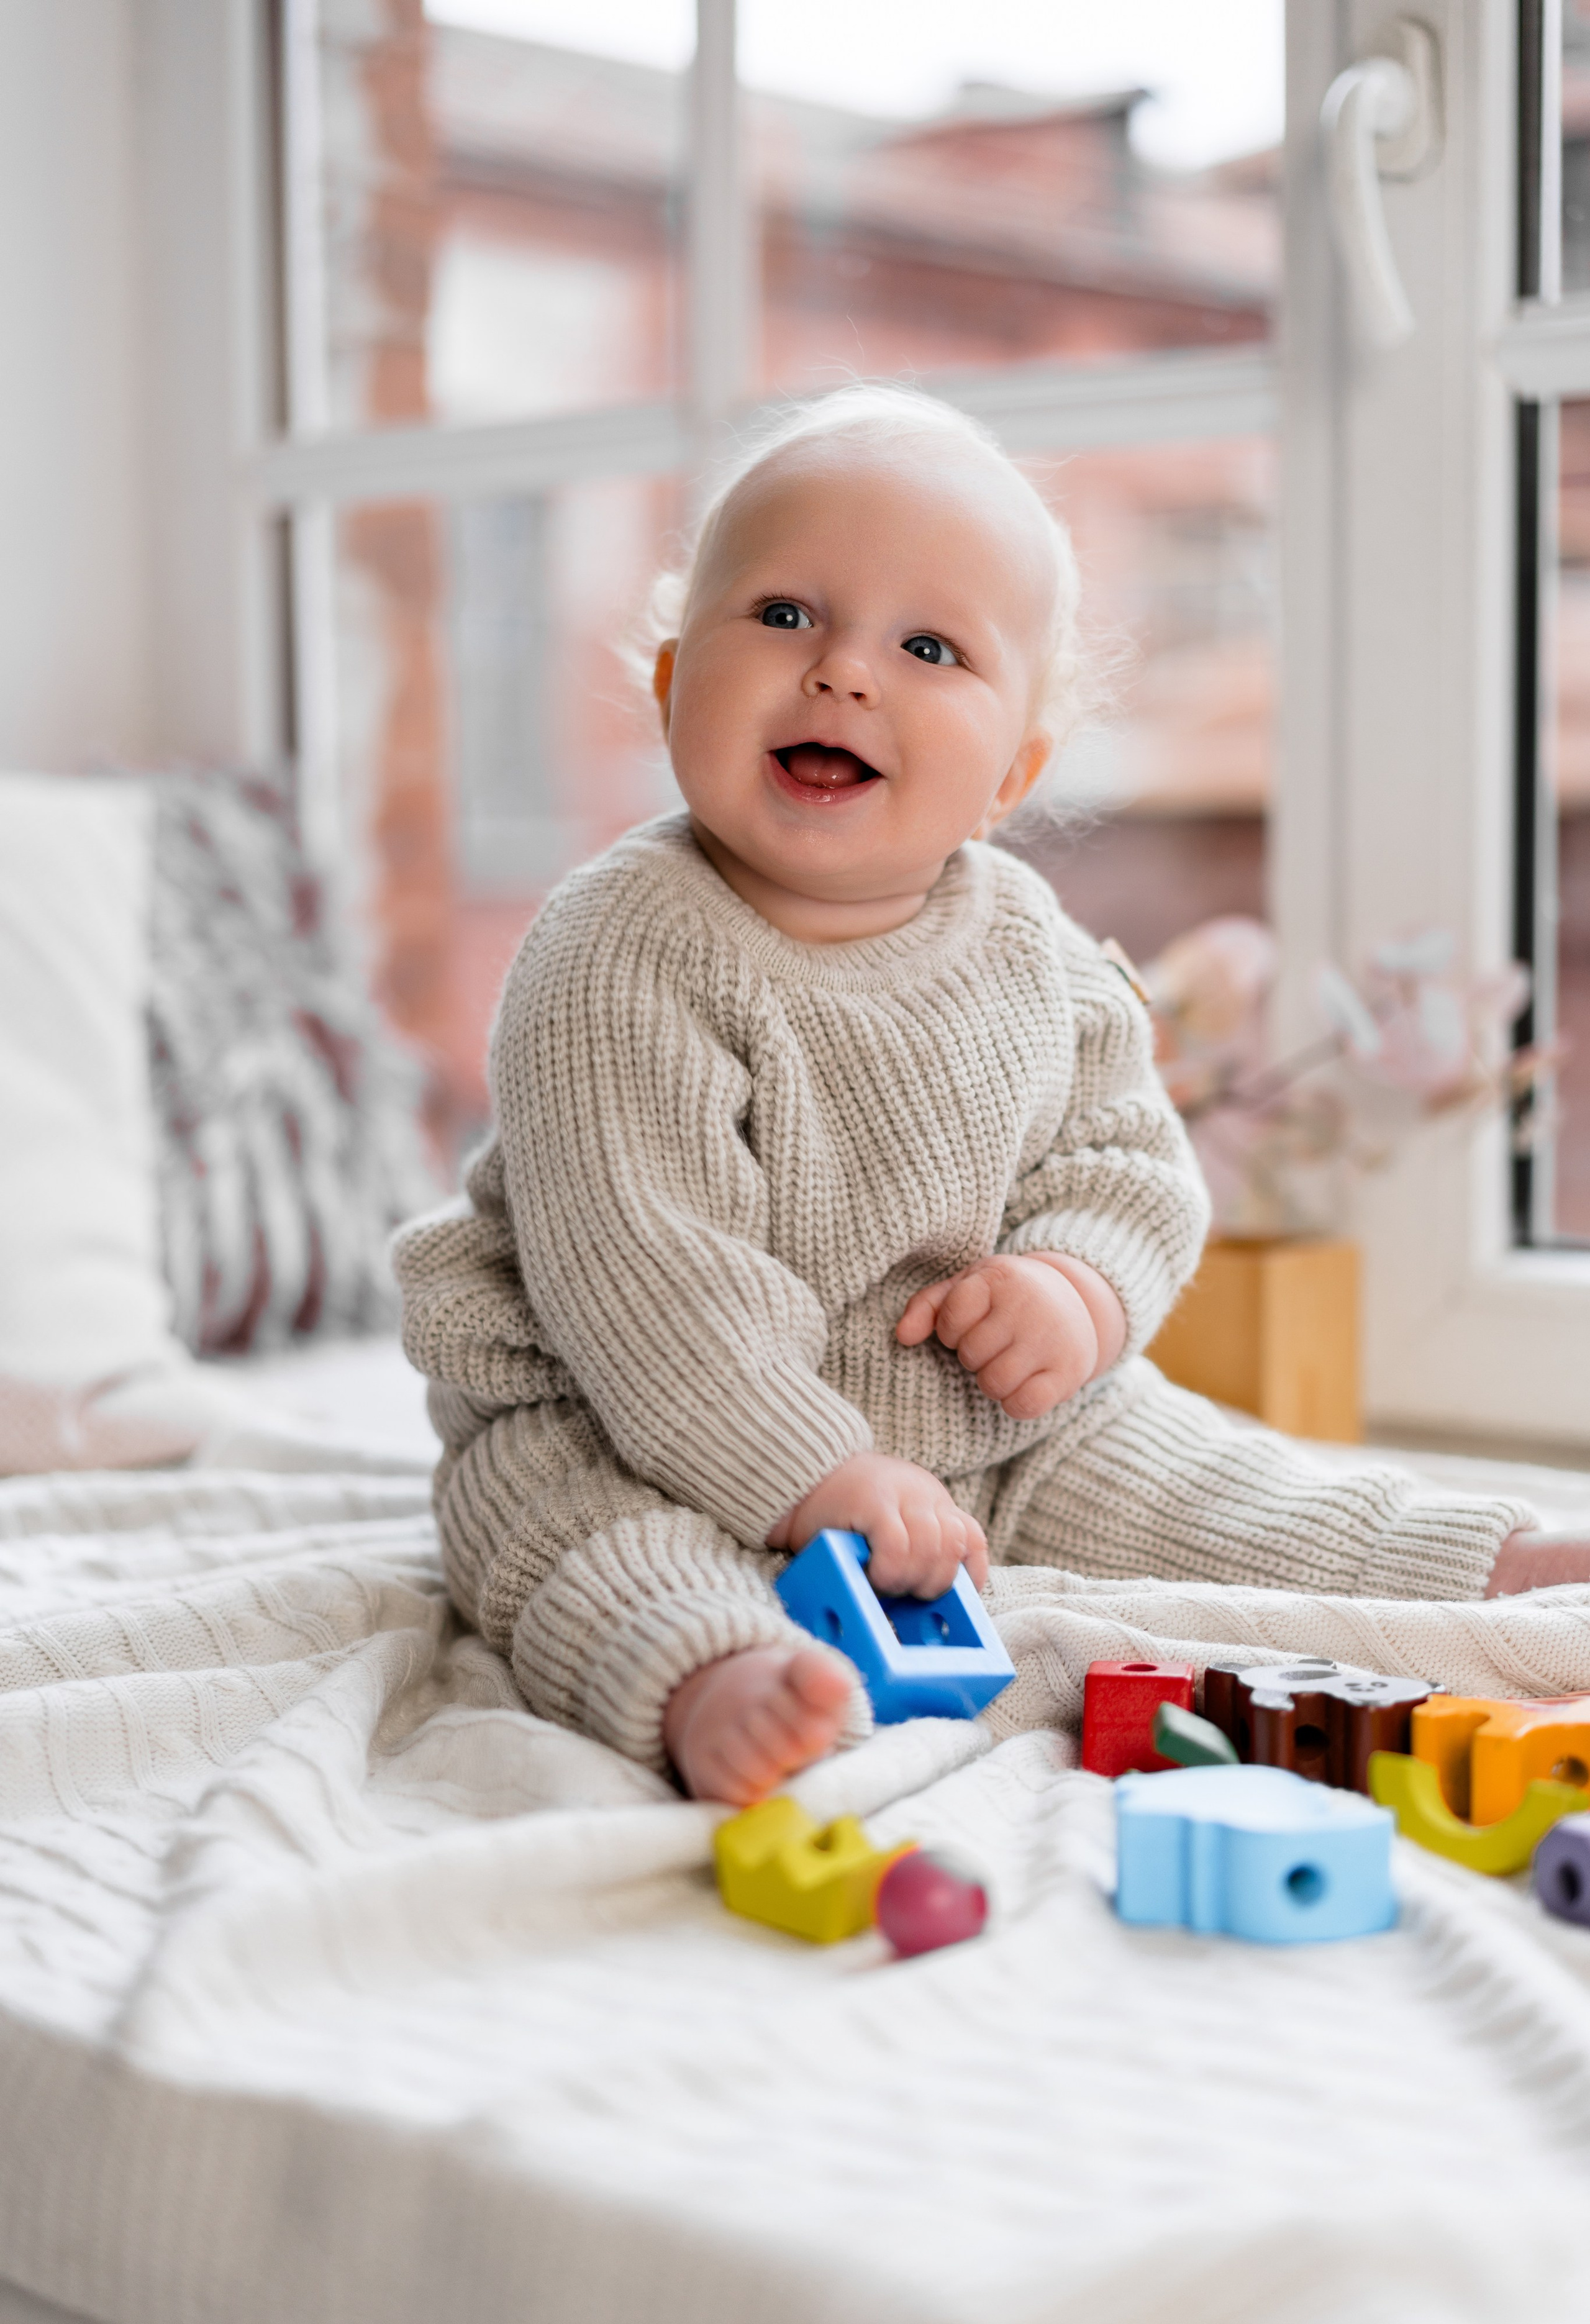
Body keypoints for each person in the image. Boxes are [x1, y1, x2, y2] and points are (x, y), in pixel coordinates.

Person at [394, 386, 1588, 1805]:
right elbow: (650, 1286)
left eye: (927, 646)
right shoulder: (618, 947)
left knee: (1197, 1466)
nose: (842, 672)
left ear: (1011, 772)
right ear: (668, 686)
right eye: (781, 615)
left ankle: (1482, 1559)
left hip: (971, 1420)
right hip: (627, 1414)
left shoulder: (1024, 941)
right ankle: (718, 1685)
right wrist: (813, 1480)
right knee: (574, 1543)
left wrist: (1073, 1292)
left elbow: (1128, 1161)